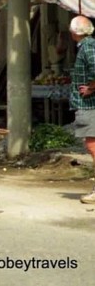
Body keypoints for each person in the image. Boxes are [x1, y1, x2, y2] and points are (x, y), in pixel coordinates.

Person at [69, 15, 95, 204]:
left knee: (92, 146)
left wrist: (92, 88)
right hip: (87, 104)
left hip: (90, 104)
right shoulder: (86, 46)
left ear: (74, 33)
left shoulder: (88, 46)